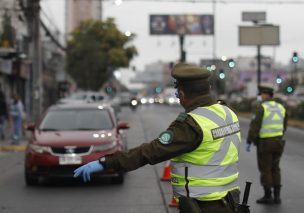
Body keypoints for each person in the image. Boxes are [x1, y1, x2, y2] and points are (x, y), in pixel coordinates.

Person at [74, 63, 242, 213]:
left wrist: (105, 162)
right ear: (209, 87)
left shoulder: (191, 124)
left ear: (182, 93)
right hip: (230, 201)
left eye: (177, 92)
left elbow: (150, 152)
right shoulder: (227, 112)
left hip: (204, 205)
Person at [246, 84, 287, 205]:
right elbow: (284, 125)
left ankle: (268, 195)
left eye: (262, 94)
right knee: (276, 168)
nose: (261, 96)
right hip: (279, 142)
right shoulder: (281, 107)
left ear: (266, 95)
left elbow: (254, 126)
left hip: (265, 143)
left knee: (266, 168)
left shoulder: (262, 107)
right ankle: (277, 196)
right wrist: (278, 135)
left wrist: (249, 141)